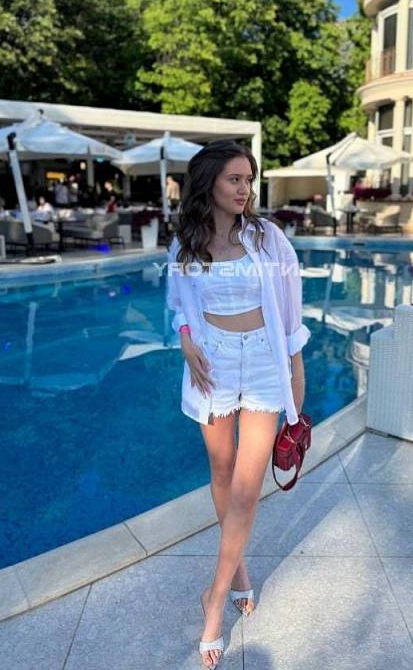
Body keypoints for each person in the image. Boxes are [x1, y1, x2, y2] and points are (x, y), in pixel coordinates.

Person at [166, 140, 310, 669]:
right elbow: (178, 304)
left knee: (247, 489)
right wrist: (185, 338)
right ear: (209, 183)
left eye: (249, 179)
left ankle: (214, 602)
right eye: (234, 178)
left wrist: (296, 372)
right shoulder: (185, 242)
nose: (245, 188)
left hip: (266, 363)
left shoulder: (268, 238)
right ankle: (240, 572)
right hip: (215, 362)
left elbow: (291, 310)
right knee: (222, 471)